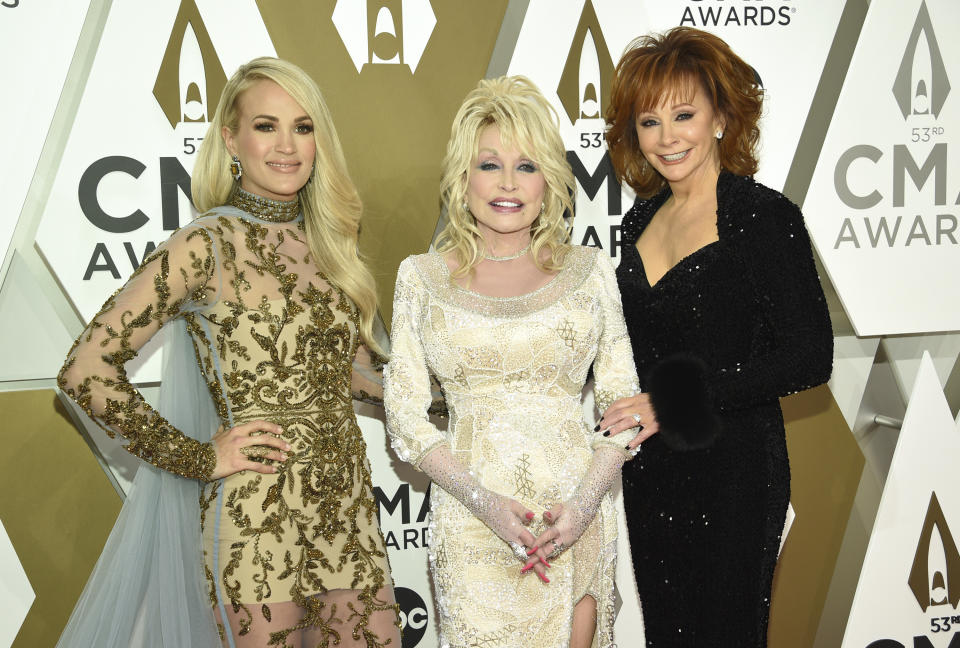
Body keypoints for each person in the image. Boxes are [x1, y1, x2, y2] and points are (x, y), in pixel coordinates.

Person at [57, 57, 401, 648]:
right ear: (230, 139)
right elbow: (85, 370)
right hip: (256, 520)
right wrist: (196, 457)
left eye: (303, 126)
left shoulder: (331, 246)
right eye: (266, 126)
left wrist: (469, 393)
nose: (288, 145)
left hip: (347, 516)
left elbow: (353, 372)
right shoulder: (204, 244)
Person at [383, 75, 647, 648]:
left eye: (526, 166)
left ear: (550, 180)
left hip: (571, 518)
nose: (507, 184)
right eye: (489, 165)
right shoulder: (421, 278)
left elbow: (625, 409)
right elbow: (404, 419)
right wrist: (485, 505)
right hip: (471, 522)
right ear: (462, 178)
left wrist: (579, 509)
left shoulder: (589, 271)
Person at [601, 27, 834, 646]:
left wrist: (671, 403)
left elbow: (810, 357)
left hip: (734, 470)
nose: (667, 137)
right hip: (652, 470)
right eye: (649, 121)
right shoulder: (641, 219)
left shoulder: (763, 216)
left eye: (684, 115)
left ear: (724, 118)